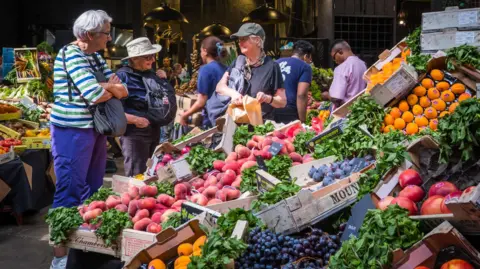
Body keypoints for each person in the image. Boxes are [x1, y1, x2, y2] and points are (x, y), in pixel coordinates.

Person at [50, 10, 128, 269]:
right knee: (69, 189)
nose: (109, 38)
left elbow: (122, 89)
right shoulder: (71, 54)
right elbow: (94, 93)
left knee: (92, 189)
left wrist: (108, 87)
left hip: (93, 129)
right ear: (87, 35)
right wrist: (108, 86)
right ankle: (60, 256)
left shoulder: (93, 56)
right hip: (71, 130)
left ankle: (84, 251)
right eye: (106, 33)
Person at [116, 37, 174, 177]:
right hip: (134, 134)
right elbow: (114, 110)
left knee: (152, 173)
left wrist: (164, 81)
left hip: (154, 131)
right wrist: (135, 120)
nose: (153, 60)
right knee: (137, 176)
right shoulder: (121, 77)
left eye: (153, 56)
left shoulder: (152, 74)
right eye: (148, 56)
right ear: (135, 58)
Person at [210, 23, 286, 124]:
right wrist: (234, 94)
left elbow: (282, 102)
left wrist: (267, 98)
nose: (240, 43)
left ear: (258, 41)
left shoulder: (272, 67)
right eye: (239, 40)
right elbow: (220, 87)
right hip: (234, 123)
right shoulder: (238, 62)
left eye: (244, 39)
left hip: (259, 127)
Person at [180, 36, 227, 128]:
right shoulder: (226, 68)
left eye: (201, 51)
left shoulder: (205, 69)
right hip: (225, 117)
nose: (200, 54)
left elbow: (201, 102)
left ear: (205, 51)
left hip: (211, 120)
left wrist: (185, 115)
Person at [274, 40, 314, 123]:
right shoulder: (305, 67)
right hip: (289, 110)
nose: (310, 61)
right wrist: (302, 120)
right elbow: (301, 95)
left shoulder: (276, 62)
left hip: (270, 107)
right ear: (306, 56)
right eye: (310, 58)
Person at [328, 39, 367, 108]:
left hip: (345, 113)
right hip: (361, 108)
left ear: (340, 52)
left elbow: (336, 98)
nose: (335, 61)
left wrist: (326, 95)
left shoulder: (341, 68)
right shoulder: (362, 64)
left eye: (334, 57)